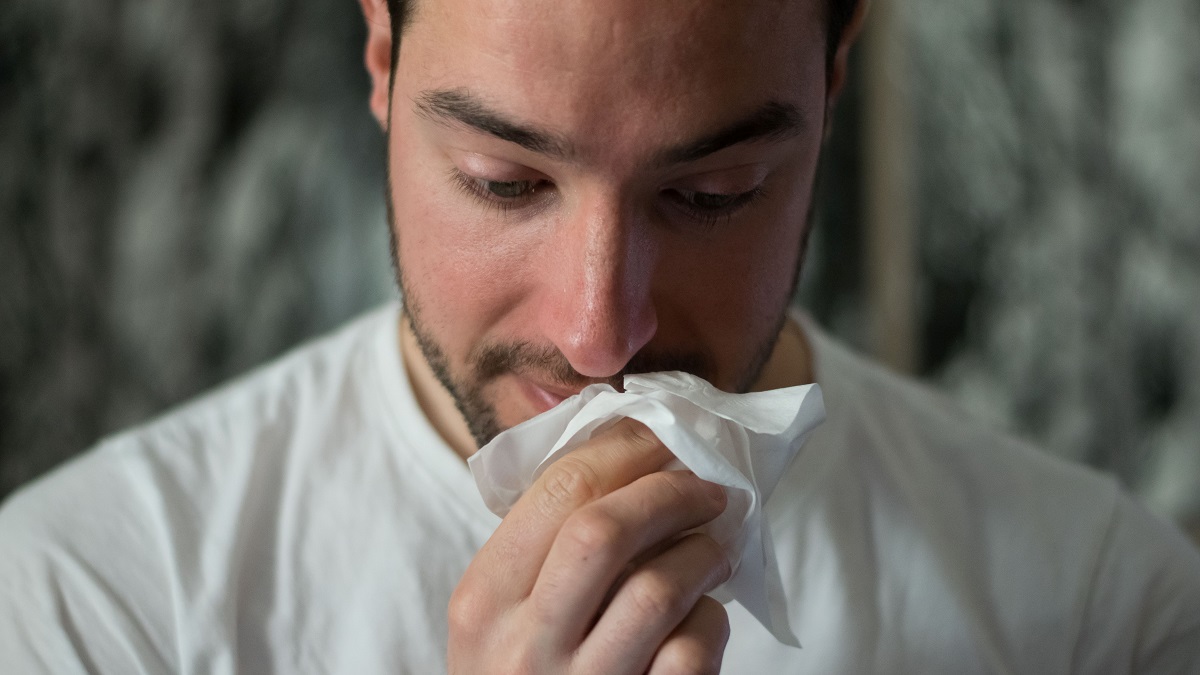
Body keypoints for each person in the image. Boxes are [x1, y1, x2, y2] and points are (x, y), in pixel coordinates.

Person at [1, 0, 1198, 671]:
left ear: (834, 77)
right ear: (379, 57)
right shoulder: (92, 609)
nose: (599, 334)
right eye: (504, 181)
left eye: (713, 193)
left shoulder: (1102, 612)